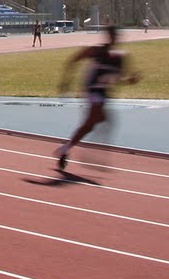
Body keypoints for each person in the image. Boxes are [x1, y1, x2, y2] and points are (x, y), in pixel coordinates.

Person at [54, 25, 137, 172]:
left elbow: (117, 79)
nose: (114, 39)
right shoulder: (97, 51)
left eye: (116, 36)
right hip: (92, 91)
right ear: (107, 36)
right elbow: (73, 60)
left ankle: (65, 149)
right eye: (111, 35)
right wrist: (65, 82)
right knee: (103, 121)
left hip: (103, 93)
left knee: (90, 125)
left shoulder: (120, 58)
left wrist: (130, 81)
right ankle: (91, 156)